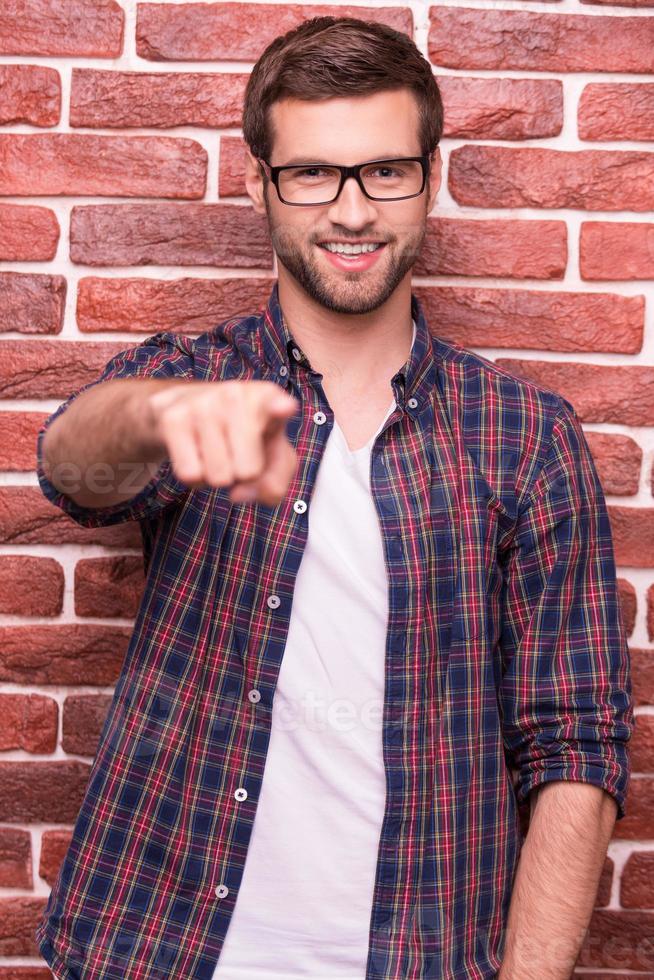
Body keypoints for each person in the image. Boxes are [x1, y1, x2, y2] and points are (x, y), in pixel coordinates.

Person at [34, 15, 633, 980]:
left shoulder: (526, 439)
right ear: (257, 182)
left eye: (384, 171)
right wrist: (155, 416)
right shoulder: (193, 380)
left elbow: (576, 744)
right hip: (161, 949)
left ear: (427, 179)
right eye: (311, 172)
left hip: (419, 956)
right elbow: (71, 469)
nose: (351, 211)